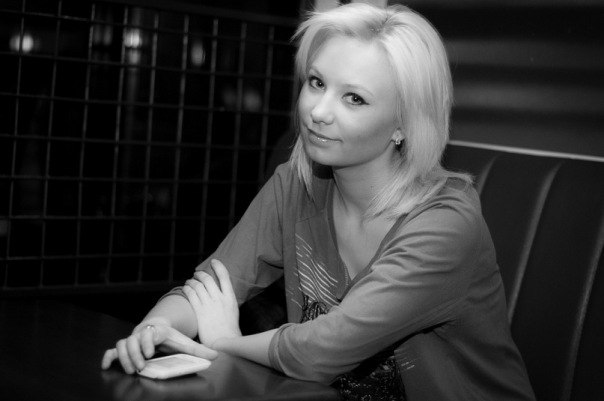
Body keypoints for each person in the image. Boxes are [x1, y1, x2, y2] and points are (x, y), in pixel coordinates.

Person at [102, 3, 536, 400]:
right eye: (317, 82)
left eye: (354, 98)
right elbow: (210, 288)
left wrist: (223, 342)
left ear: (403, 124)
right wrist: (154, 328)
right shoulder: (297, 184)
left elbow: (321, 351)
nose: (318, 111)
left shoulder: (445, 224)